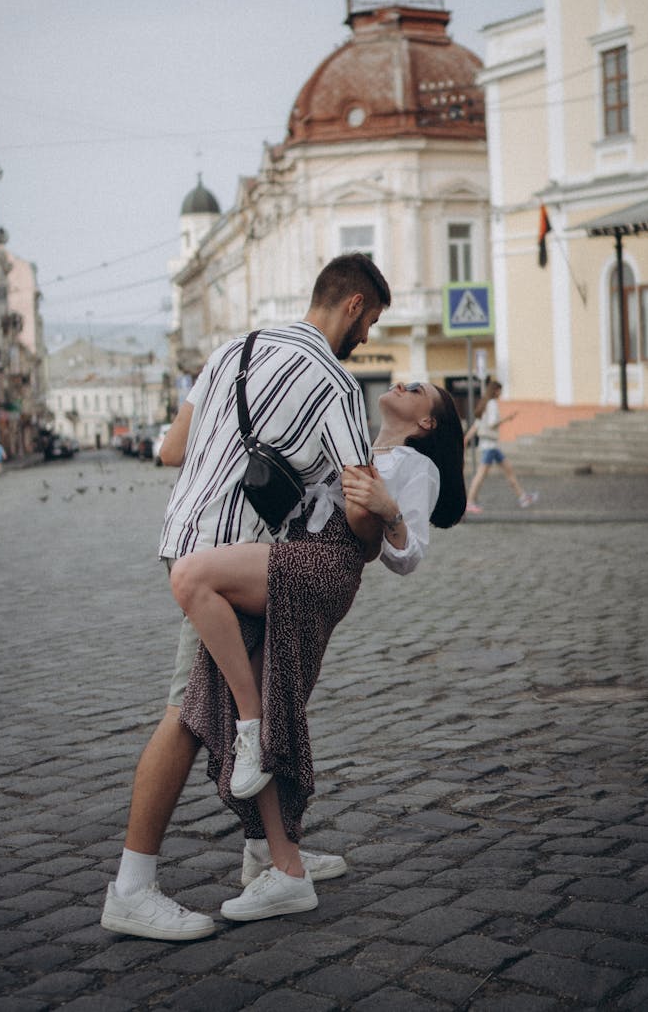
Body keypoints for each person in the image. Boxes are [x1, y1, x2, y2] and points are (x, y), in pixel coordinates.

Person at [100, 252, 391, 942]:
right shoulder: (335, 385)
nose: (367, 336)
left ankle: (269, 851)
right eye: (371, 321)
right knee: (188, 712)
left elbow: (172, 449)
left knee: (245, 691)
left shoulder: (235, 346)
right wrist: (379, 508)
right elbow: (356, 505)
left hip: (182, 534)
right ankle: (132, 886)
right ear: (351, 306)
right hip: (230, 560)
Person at [169, 379, 466, 922]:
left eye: (419, 388)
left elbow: (407, 556)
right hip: (289, 554)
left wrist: (387, 510)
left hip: (322, 569)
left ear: (428, 423)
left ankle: (277, 840)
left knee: (196, 587)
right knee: (266, 696)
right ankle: (276, 856)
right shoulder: (349, 435)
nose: (403, 380)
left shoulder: (416, 468)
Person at [464, 378, 537, 513]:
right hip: (490, 447)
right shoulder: (492, 404)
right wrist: (507, 419)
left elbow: (477, 424)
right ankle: (469, 502)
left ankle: (522, 497)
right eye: (500, 390)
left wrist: (467, 437)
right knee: (480, 475)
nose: (501, 393)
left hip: (491, 446)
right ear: (496, 391)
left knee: (509, 470)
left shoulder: (484, 403)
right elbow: (492, 423)